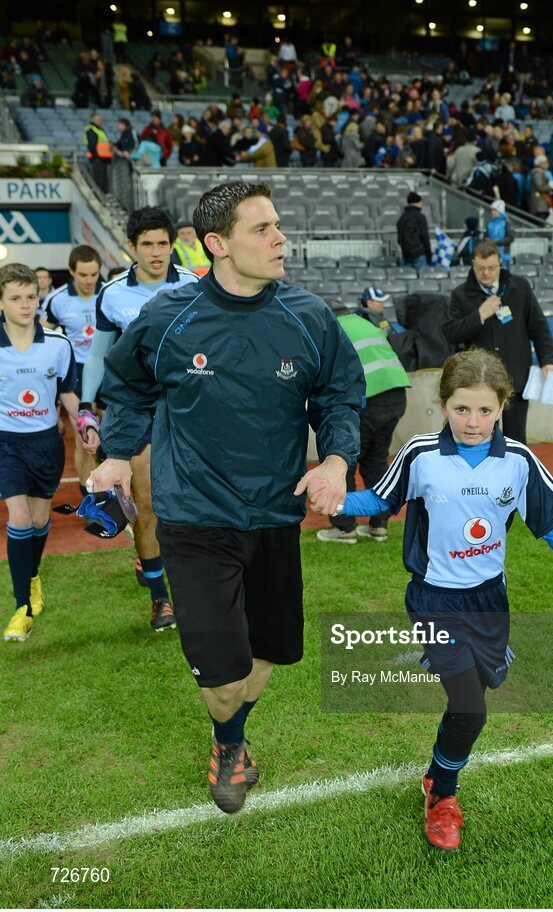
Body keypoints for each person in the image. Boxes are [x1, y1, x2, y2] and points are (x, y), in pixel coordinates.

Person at [84, 181, 364, 815]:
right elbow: (126, 389)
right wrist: (119, 457)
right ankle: (227, 740)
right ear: (218, 244)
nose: (280, 238)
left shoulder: (309, 315)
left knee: (269, 652)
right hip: (195, 517)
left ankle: (233, 736)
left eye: (278, 226)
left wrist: (339, 461)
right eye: (262, 229)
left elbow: (341, 396)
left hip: (274, 514)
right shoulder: (168, 317)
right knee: (221, 673)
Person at [334, 347, 553, 850]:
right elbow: (381, 498)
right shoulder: (421, 455)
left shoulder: (518, 461)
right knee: (471, 710)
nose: (473, 420)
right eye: (462, 408)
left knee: (473, 703)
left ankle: (434, 776)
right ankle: (443, 796)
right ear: (443, 405)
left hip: (489, 602)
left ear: (503, 407)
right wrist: (333, 498)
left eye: (485, 410)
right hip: (434, 600)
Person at [80, 207, 200, 632]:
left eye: (163, 244)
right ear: (131, 247)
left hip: (184, 407)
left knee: (187, 503)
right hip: (136, 410)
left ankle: (176, 570)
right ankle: (160, 597)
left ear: (173, 245)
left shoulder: (193, 286)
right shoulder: (111, 294)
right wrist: (84, 406)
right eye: (147, 244)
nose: (156, 252)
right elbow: (98, 355)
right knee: (146, 502)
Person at [0, 264, 81, 642]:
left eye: (31, 297)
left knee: (37, 519)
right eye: (16, 298)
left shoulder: (58, 345)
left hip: (46, 444)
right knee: (18, 518)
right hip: (6, 445)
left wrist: (85, 423)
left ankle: (33, 578)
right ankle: (22, 609)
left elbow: (67, 393)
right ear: (1, 301)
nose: (25, 304)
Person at [443, 241, 553, 445]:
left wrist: (547, 360)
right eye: (481, 268)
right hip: (478, 383)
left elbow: (539, 328)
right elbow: (451, 333)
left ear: (500, 264)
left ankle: (515, 477)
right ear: (473, 265)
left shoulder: (519, 288)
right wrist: (480, 315)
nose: (486, 273)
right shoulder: (460, 295)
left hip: (516, 378)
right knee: (481, 439)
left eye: (492, 268)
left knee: (515, 441)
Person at [317, 302, 409, 543]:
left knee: (343, 460)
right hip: (396, 394)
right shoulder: (364, 322)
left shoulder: (330, 326)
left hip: (367, 399)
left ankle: (344, 527)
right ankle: (379, 525)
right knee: (376, 460)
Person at [41, 245, 103, 493]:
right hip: (75, 371)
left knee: (111, 435)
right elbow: (41, 335)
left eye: (94, 274)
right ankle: (89, 498)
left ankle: (113, 493)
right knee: (84, 437)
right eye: (83, 275)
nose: (89, 281)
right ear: (71, 271)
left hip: (107, 372)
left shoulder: (109, 293)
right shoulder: (57, 300)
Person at [397, 191, 431, 270]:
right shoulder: (420, 217)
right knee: (422, 280)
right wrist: (429, 255)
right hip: (419, 255)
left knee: (407, 280)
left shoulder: (402, 218)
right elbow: (424, 236)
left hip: (406, 255)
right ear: (418, 202)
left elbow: (399, 239)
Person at [83, 112, 113, 192]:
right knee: (99, 181)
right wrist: (97, 156)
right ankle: (100, 196)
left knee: (104, 181)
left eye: (102, 120)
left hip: (103, 159)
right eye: (99, 119)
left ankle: (103, 196)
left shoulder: (100, 129)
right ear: (93, 120)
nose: (101, 121)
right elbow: (92, 146)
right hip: (98, 159)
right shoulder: (92, 130)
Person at [484, 200, 514, 269]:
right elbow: (485, 236)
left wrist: (498, 242)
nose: (492, 212)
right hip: (491, 253)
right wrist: (487, 240)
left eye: (494, 210)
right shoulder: (491, 223)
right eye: (492, 210)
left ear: (500, 211)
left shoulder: (506, 221)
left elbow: (511, 237)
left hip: (503, 254)